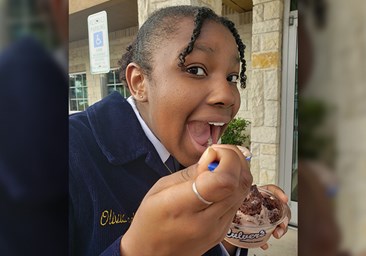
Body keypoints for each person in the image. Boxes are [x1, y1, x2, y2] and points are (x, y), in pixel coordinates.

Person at [69, 5, 290, 256]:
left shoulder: (194, 148)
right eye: (195, 70)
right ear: (139, 83)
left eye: (232, 77)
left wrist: (234, 222)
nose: (227, 95)